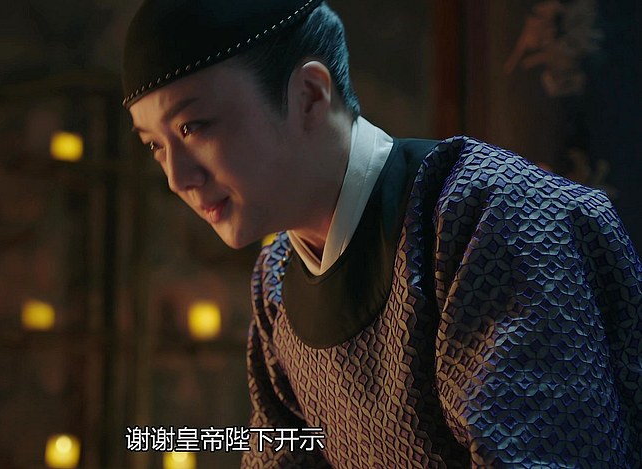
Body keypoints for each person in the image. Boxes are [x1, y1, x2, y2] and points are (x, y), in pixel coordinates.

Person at [122, 0, 642, 467]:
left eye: (193, 127)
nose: (177, 178)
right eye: (155, 146)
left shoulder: (490, 216)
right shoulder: (275, 279)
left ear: (309, 95)